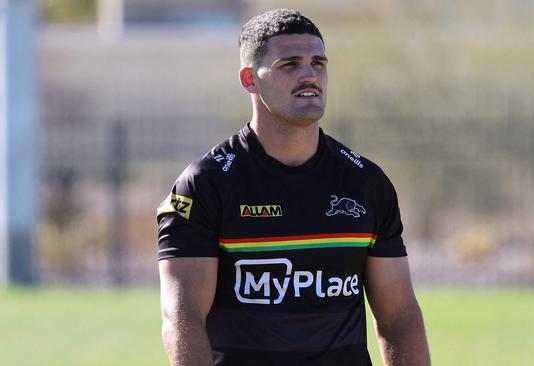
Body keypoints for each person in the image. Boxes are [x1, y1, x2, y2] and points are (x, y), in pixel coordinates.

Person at [157, 8, 430, 366]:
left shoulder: (366, 183)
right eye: (290, 65)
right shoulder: (205, 185)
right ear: (249, 79)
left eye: (318, 63)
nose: (309, 75)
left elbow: (398, 317)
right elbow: (182, 318)